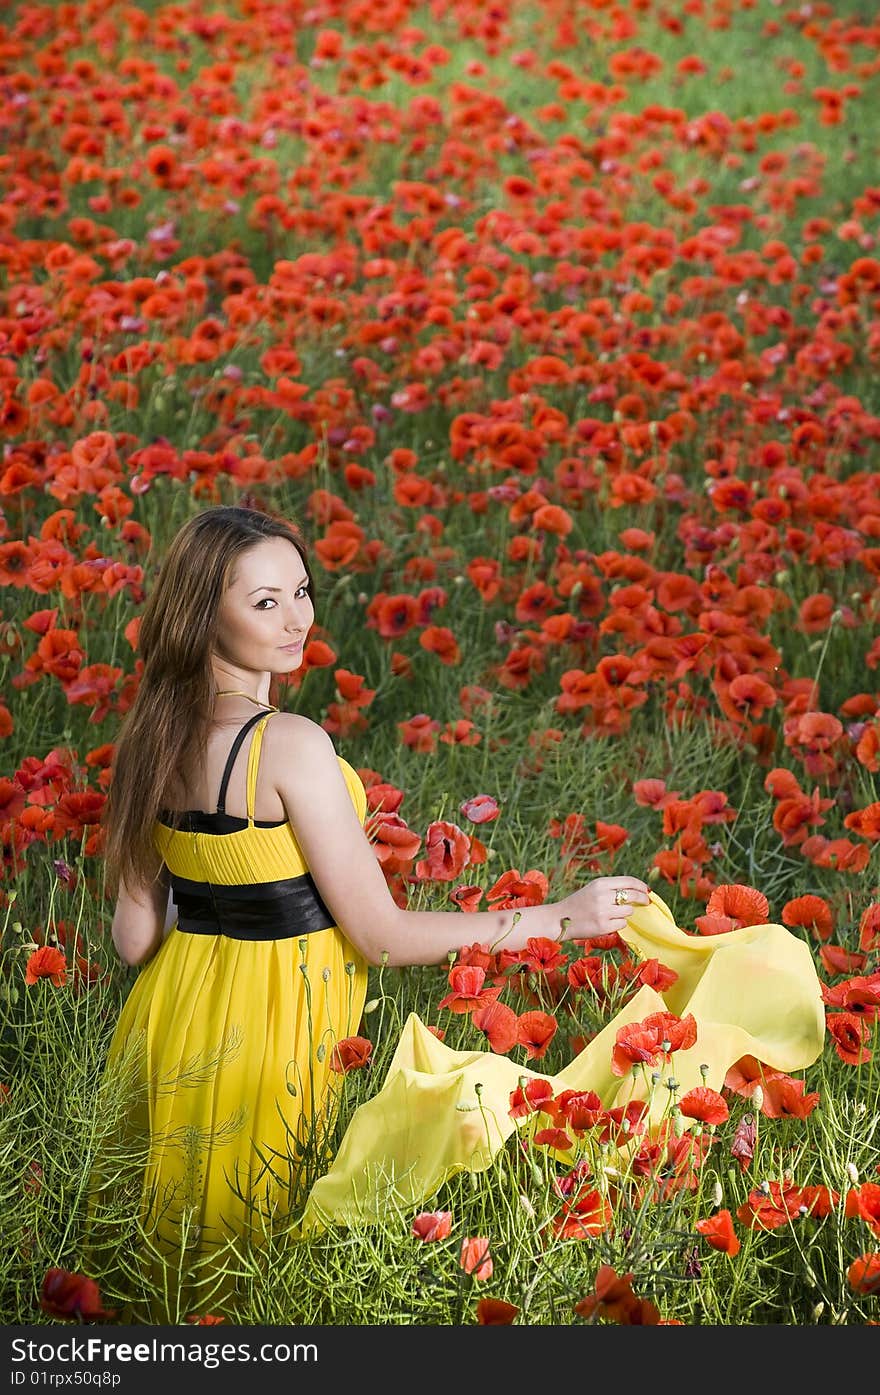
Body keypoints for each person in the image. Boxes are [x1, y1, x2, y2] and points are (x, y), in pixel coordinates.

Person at [92, 504, 824, 1318]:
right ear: (204, 613)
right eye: (266, 602)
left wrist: (219, 884)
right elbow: (381, 934)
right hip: (278, 1031)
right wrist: (561, 917)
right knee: (267, 1255)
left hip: (175, 1027)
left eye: (301, 591)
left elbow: (133, 939)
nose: (298, 617)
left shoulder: (148, 739)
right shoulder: (288, 744)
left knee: (180, 1256)